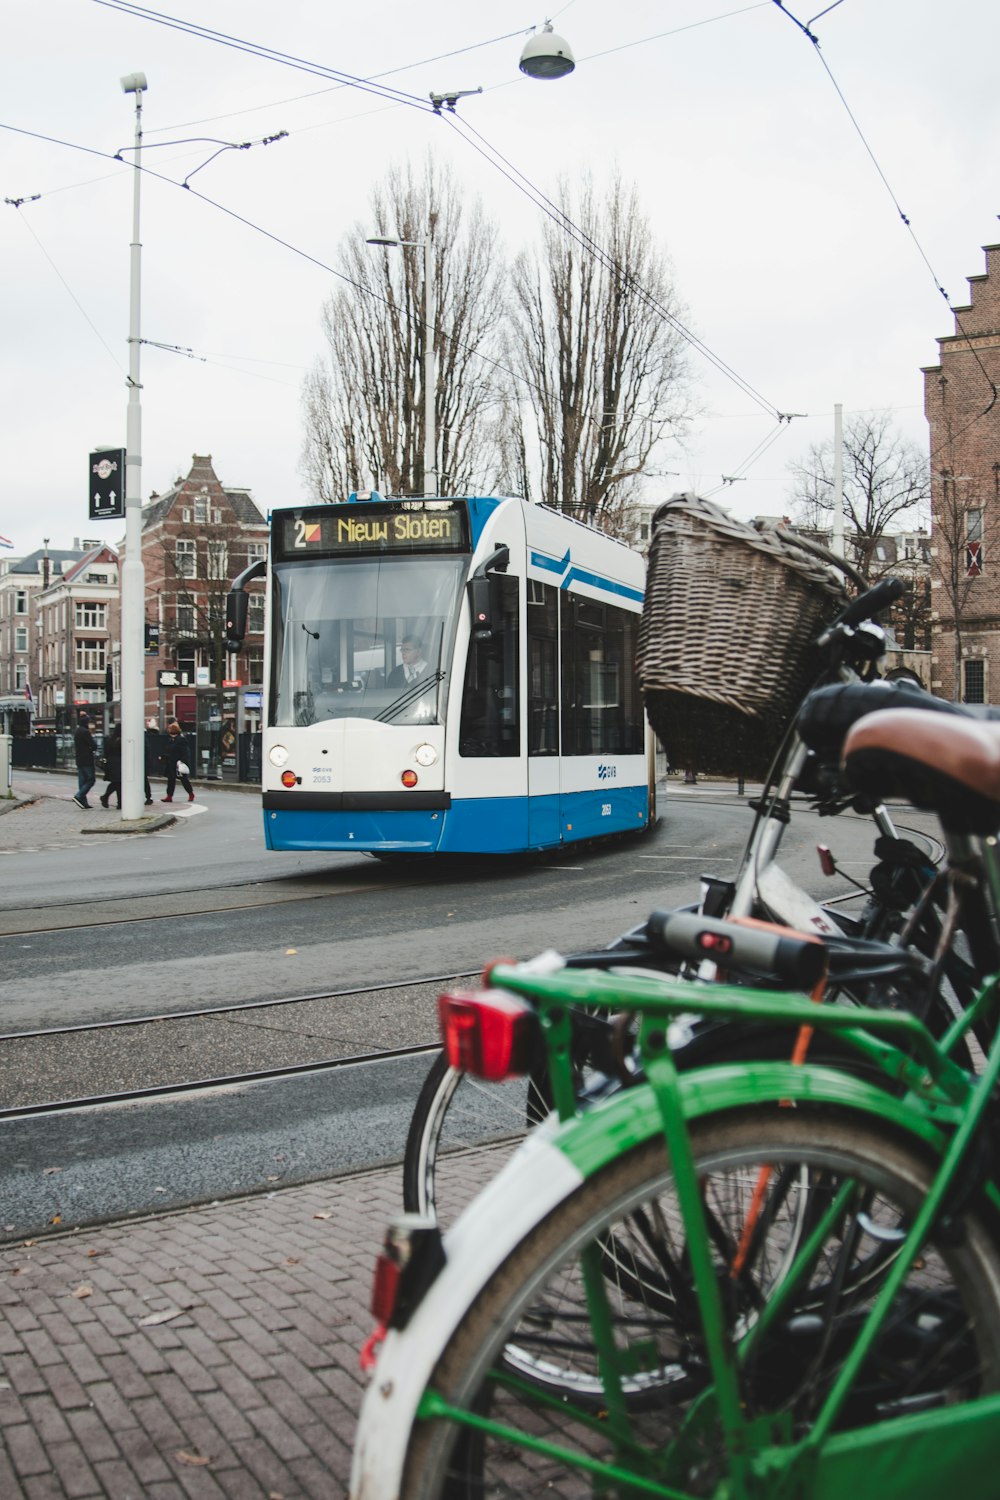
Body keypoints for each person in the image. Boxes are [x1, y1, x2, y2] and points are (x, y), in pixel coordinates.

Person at [160, 720, 195, 803]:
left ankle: (190, 793)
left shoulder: (181, 740)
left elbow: (185, 752)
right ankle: (169, 796)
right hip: (171, 763)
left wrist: (182, 761)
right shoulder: (171, 740)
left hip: (178, 763)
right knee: (171, 780)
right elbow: (169, 751)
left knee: (183, 779)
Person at [73, 714, 97, 809]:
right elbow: (93, 745)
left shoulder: (77, 731)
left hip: (79, 759)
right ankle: (79, 796)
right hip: (87, 759)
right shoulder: (85, 732)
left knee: (82, 781)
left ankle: (83, 802)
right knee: (91, 779)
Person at [99, 722, 122, 809]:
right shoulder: (121, 740)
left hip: (111, 764)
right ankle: (118, 802)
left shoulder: (111, 739)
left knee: (116, 783)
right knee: (118, 783)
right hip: (118, 764)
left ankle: (106, 797)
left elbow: (106, 751)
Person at [143, 719, 157, 805]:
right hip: (144, 762)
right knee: (144, 780)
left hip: (141, 762)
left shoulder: (142, 736)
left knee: (144, 780)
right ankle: (148, 797)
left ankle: (148, 797)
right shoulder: (145, 736)